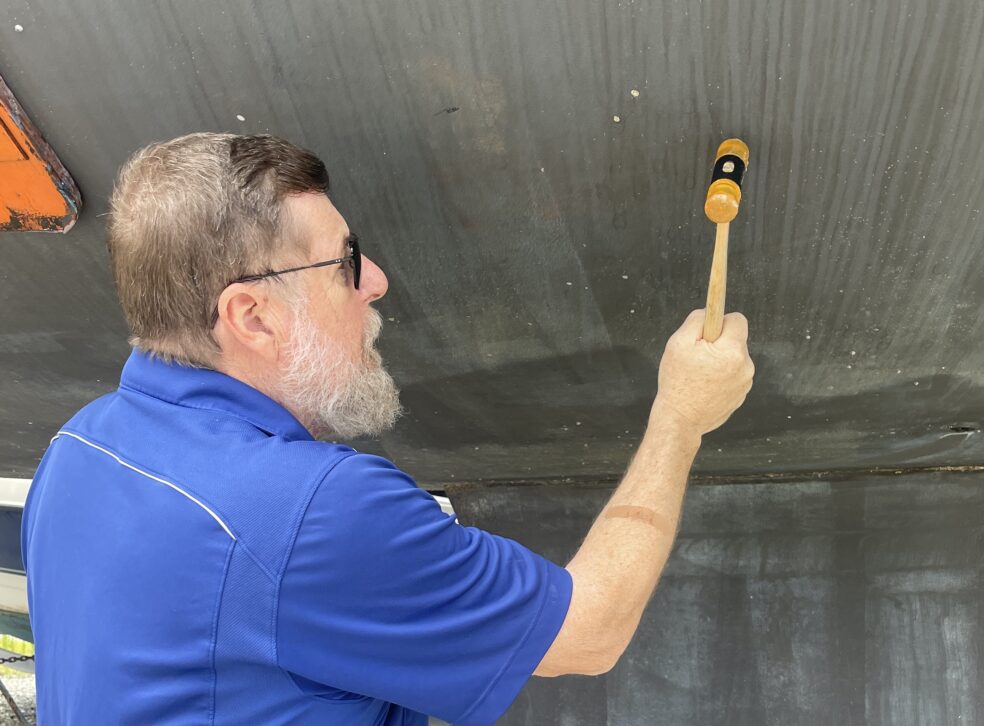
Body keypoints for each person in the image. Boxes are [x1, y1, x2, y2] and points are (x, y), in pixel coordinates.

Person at [22, 133, 754, 725]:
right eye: (343, 261)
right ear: (252, 316)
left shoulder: (78, 447)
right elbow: (589, 632)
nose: (374, 279)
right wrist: (680, 418)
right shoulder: (313, 515)